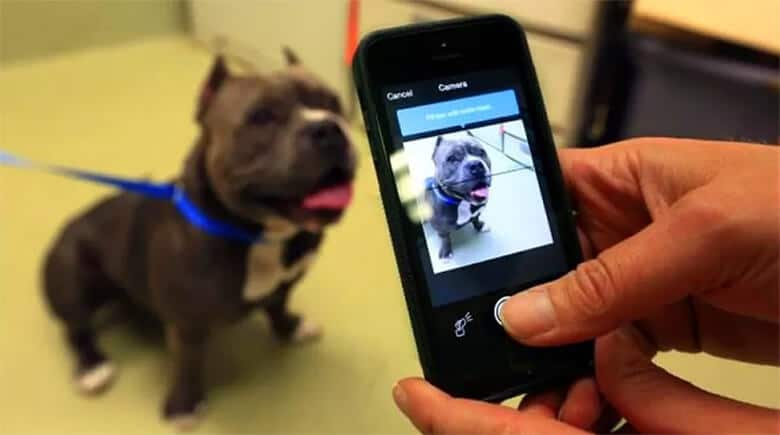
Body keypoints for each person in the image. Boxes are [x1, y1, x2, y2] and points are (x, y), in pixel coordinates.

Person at [391, 138, 779, 434]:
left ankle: (472, 220)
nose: (473, 164)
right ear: (435, 165)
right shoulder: (436, 201)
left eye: (478, 154)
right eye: (455, 160)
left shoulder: (480, 191)